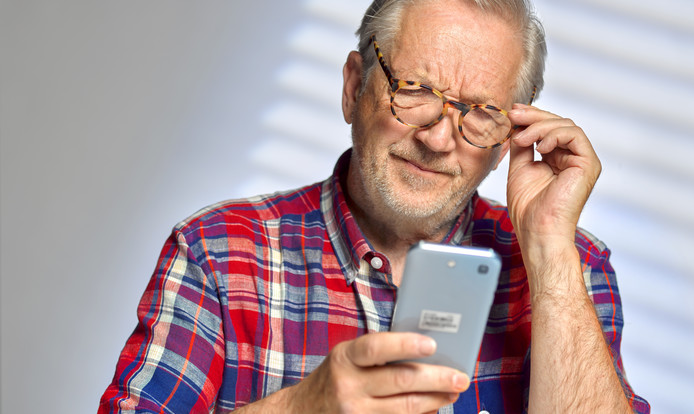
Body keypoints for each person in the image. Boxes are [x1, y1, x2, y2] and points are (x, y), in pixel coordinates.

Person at [99, 0, 650, 413]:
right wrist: (300, 408)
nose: (438, 140)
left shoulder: (570, 264)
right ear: (354, 88)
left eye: (480, 112)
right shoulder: (217, 252)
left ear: (510, 135)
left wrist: (550, 250)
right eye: (413, 88)